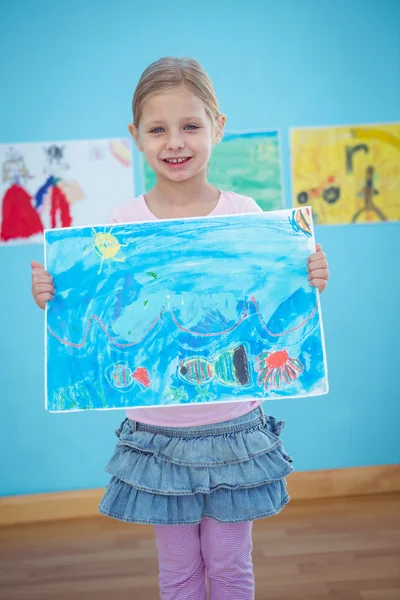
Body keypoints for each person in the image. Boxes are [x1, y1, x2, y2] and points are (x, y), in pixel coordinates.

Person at [31, 57, 330, 600]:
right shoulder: (119, 228)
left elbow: (278, 307)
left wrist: (308, 276)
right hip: (156, 437)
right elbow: (102, 314)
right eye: (158, 129)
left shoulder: (248, 215)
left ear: (218, 126)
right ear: (136, 137)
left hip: (235, 429)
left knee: (232, 567)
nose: (176, 142)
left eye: (191, 126)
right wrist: (55, 298)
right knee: (178, 574)